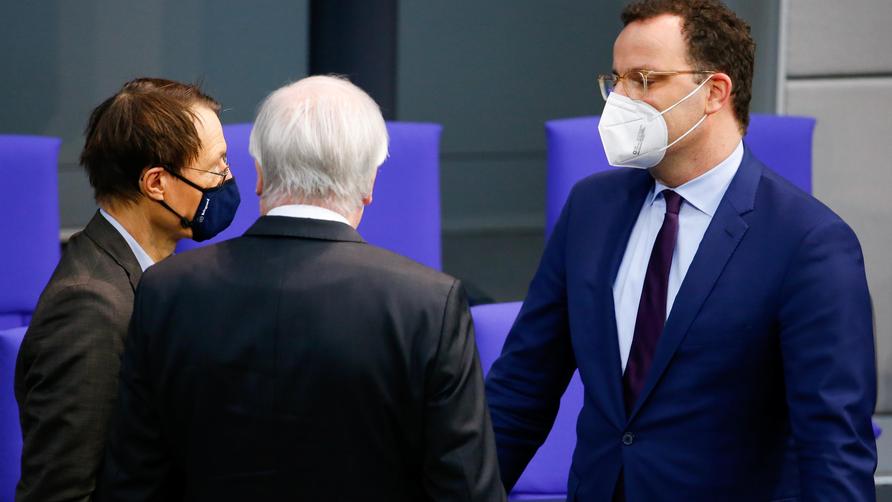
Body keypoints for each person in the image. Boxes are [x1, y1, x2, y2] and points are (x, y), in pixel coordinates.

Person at [485, 1, 877, 500]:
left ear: (714, 92)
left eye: (644, 80)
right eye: (615, 80)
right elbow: (522, 388)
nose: (620, 99)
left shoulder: (808, 243)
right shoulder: (591, 209)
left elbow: (833, 447)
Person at [94, 75, 504, 502]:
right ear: (368, 185)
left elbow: (133, 483)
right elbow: (466, 490)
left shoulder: (166, 291)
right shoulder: (428, 306)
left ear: (258, 174)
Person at [15, 78, 238, 502]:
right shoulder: (89, 309)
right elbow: (60, 491)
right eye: (216, 165)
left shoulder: (154, 274)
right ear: (156, 183)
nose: (227, 178)